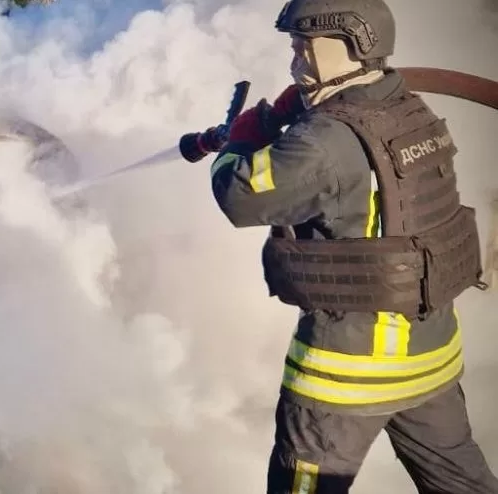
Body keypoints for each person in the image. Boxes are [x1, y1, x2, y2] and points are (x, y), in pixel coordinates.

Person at [206, 0, 498, 492]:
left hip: (345, 375)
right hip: (431, 363)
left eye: (303, 47)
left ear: (350, 44)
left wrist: (238, 141)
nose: (295, 62)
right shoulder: (408, 109)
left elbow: (238, 196)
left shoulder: (324, 140)